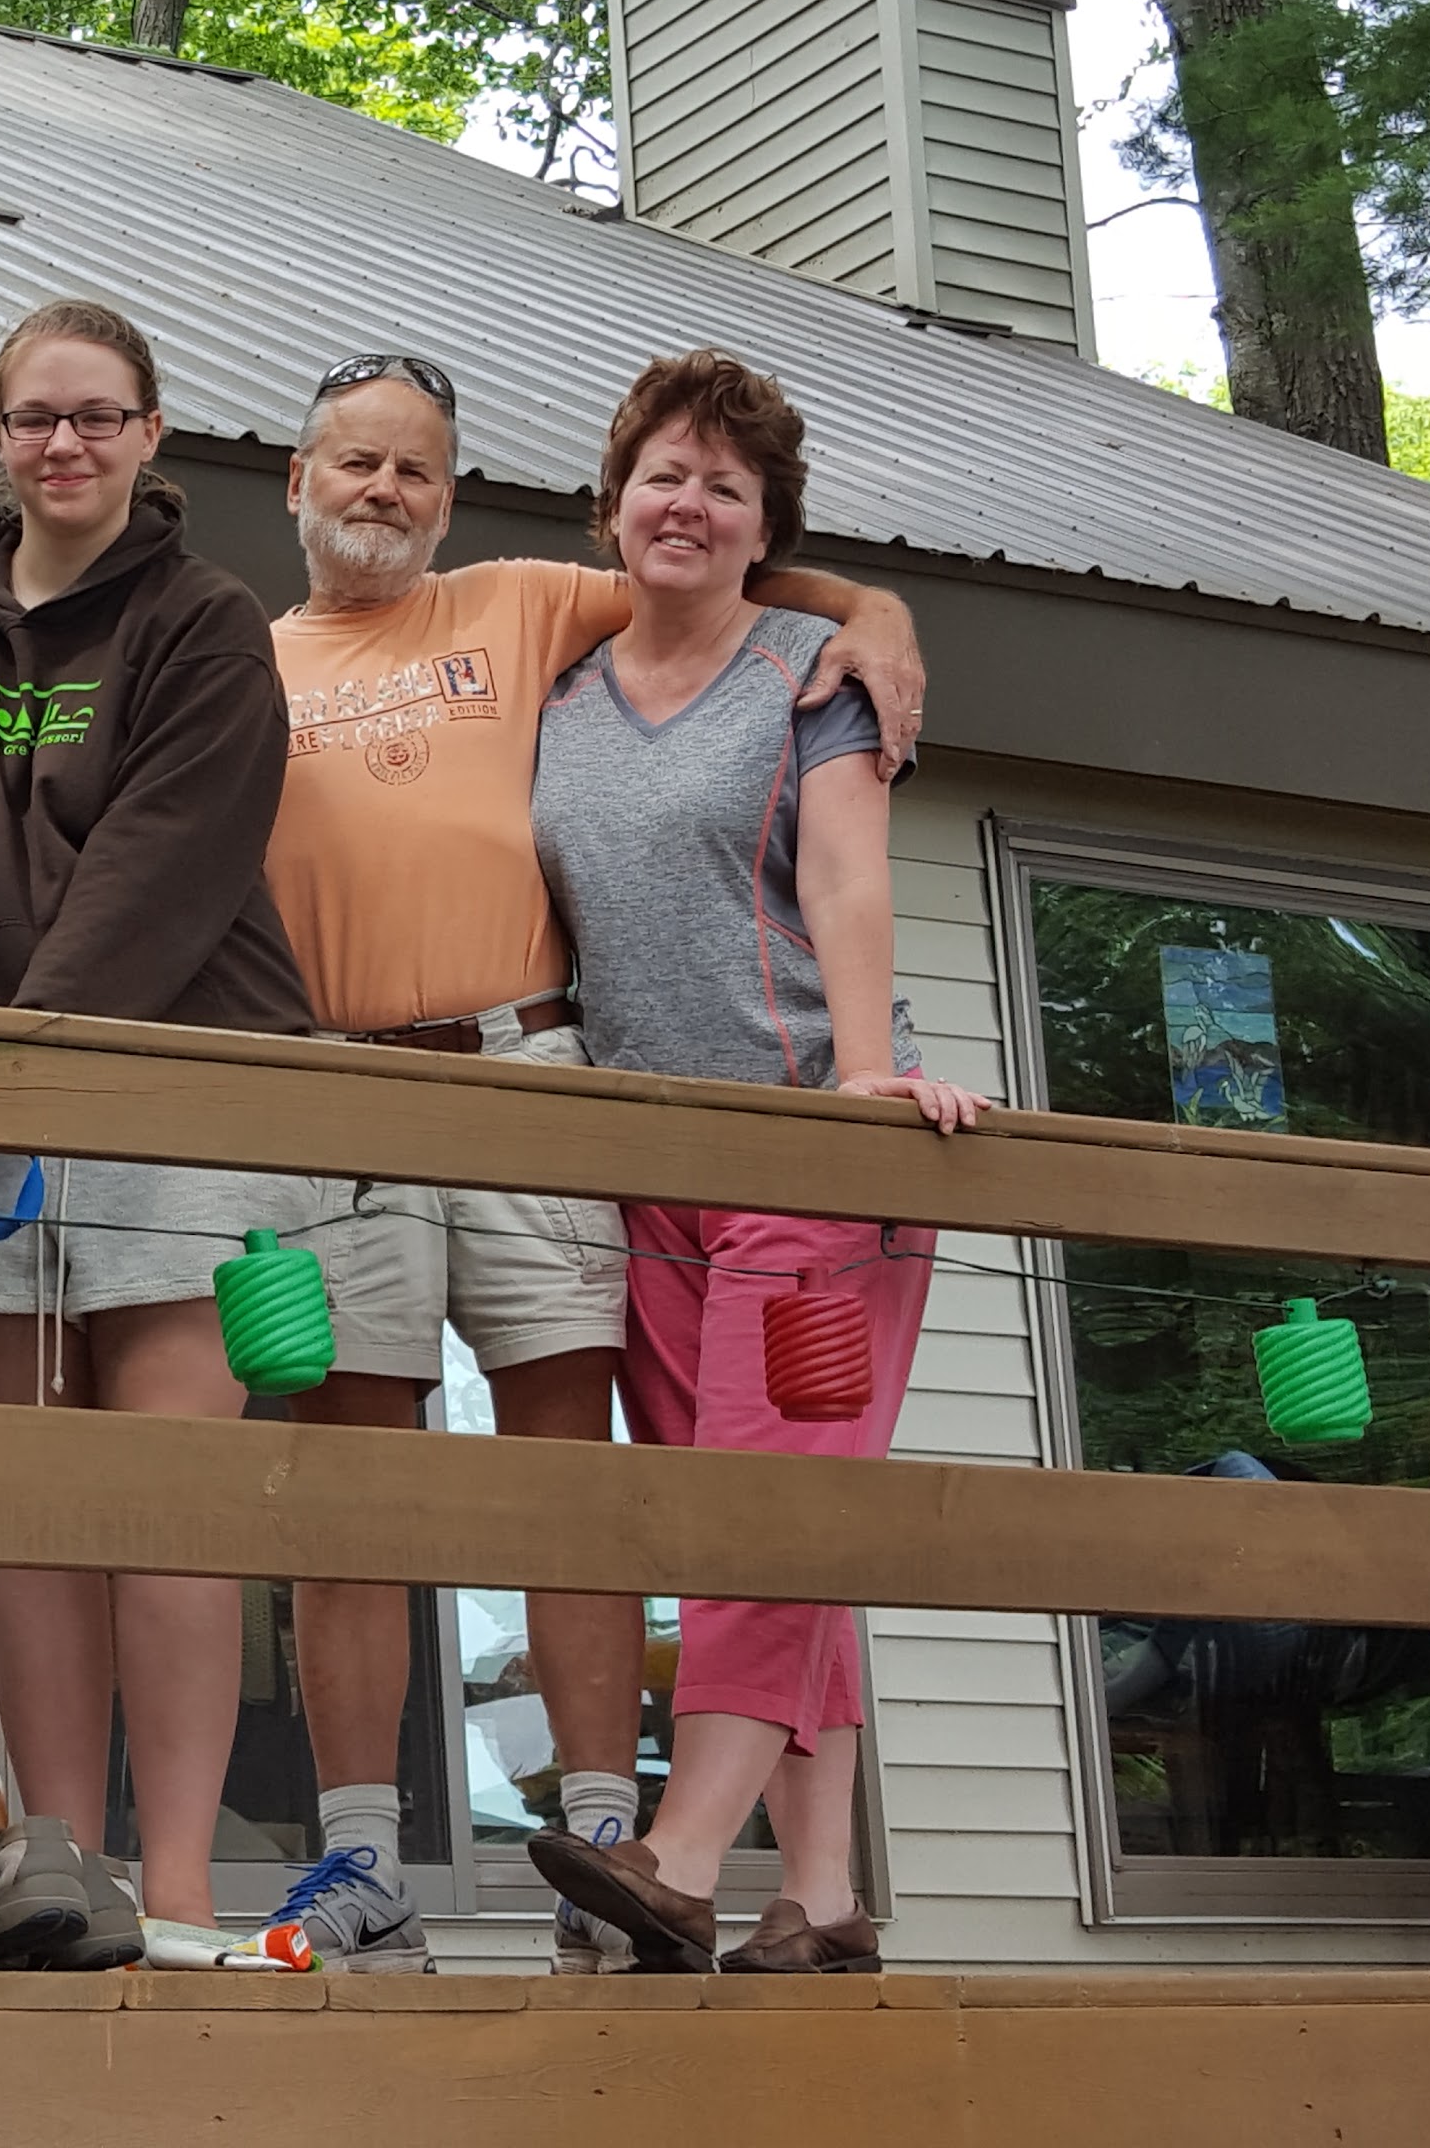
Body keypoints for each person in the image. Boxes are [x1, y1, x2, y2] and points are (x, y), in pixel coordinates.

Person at [253, 350, 931, 1975]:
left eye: (416, 468)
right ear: (295, 480)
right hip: (344, 1088)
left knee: (590, 1481)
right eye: (355, 463)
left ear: (455, 495)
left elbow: (718, 558)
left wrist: (880, 613)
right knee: (361, 1480)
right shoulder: (237, 652)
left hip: (547, 1072)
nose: (383, 492)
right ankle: (366, 1864)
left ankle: (614, 1851)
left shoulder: (528, 610)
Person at [0, 298, 305, 1971]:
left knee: (161, 1484)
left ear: (150, 435)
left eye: (99, 418)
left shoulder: (207, 622)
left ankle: (180, 1886)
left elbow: (164, 867)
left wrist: (17, 1057)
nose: (66, 446)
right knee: (25, 1485)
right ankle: (60, 1861)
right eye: (37, 417)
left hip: (166, 1071)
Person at [520, 349, 989, 1977]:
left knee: (764, 1522)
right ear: (614, 502)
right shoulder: (562, 691)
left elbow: (849, 880)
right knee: (782, 1532)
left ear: (765, 525)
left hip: (805, 1149)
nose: (688, 502)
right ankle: (829, 1898)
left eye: (726, 484)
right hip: (654, 1173)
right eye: (664, 472)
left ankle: (683, 1855)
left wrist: (861, 1087)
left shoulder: (816, 670)